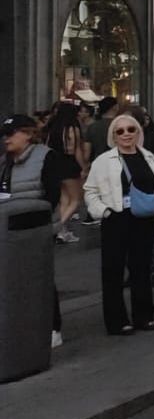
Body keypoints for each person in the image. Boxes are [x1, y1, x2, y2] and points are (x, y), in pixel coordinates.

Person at [83, 113, 154, 336]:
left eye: (131, 129)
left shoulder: (148, 156)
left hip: (145, 217)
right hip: (117, 217)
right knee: (113, 269)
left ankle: (144, 315)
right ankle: (117, 320)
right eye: (120, 131)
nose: (126, 134)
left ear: (138, 132)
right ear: (113, 135)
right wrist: (103, 212)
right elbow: (90, 190)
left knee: (141, 267)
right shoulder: (104, 160)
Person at [3, 114, 82, 347]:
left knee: (40, 279)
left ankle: (52, 327)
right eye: (4, 135)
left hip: (36, 229)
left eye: (11, 133)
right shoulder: (4, 162)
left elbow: (53, 196)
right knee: (13, 282)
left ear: (27, 134)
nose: (6, 139)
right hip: (9, 231)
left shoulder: (46, 158)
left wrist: (51, 225)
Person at [41, 102, 87, 244]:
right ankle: (56, 228)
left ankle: (63, 231)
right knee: (75, 200)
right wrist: (84, 167)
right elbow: (75, 150)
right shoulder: (72, 128)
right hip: (69, 165)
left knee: (64, 199)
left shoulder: (52, 127)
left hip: (54, 165)